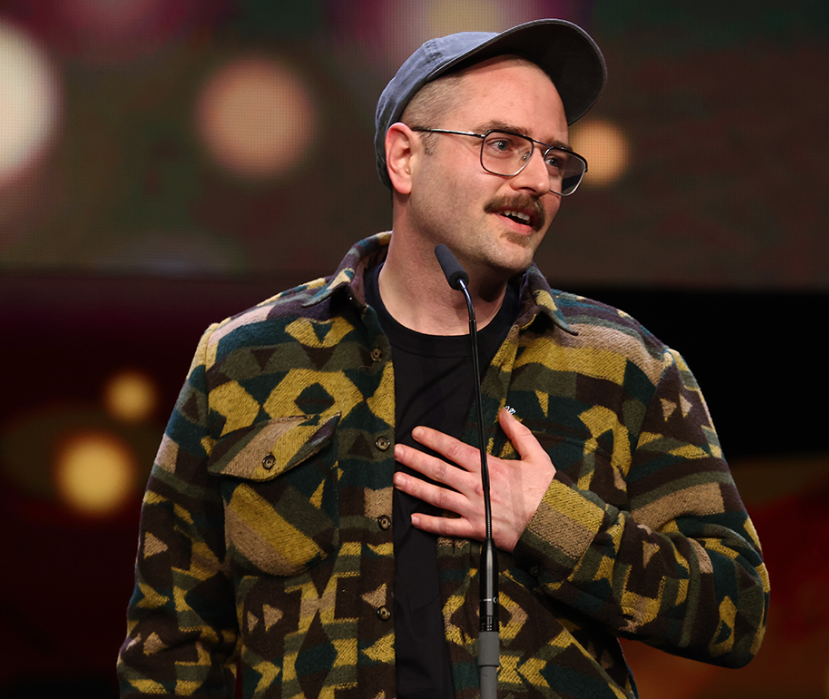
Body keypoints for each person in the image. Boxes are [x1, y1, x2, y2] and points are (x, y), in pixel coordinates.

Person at [117, 18, 769, 699]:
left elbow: (737, 609)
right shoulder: (246, 360)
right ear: (405, 157)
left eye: (554, 158)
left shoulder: (626, 365)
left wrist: (549, 519)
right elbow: (169, 650)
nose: (537, 180)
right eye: (503, 145)